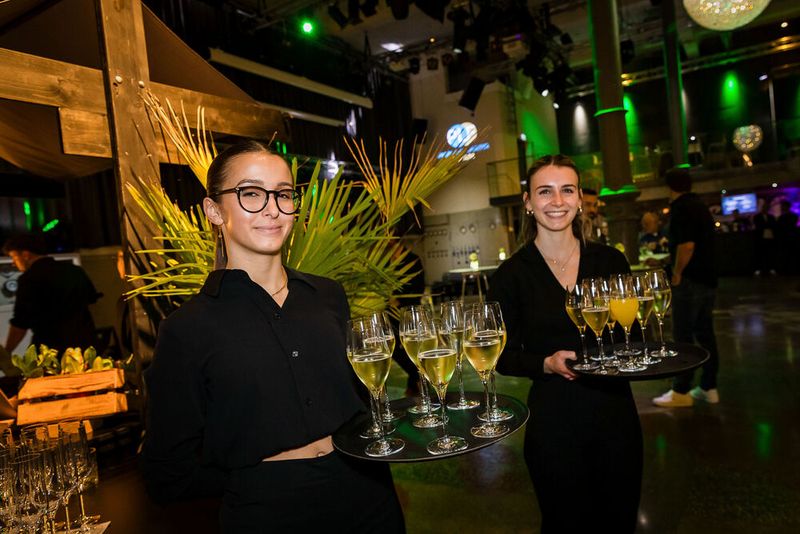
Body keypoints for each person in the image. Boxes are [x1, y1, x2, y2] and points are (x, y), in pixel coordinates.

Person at [141, 141, 405, 532]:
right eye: (251, 193)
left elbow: (362, 402)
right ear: (214, 210)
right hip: (268, 511)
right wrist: (251, 479)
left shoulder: (327, 296)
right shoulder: (187, 328)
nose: (272, 208)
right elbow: (166, 470)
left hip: (367, 493)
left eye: (282, 194)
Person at [488, 155, 642, 533]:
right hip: (554, 422)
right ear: (528, 202)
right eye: (545, 191)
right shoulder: (511, 275)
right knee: (564, 523)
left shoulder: (610, 261)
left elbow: (635, 335)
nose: (557, 201)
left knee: (619, 521)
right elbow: (501, 356)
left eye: (567, 190)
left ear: (579, 199)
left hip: (615, 415)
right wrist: (545, 363)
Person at [653, 168, 720, 407]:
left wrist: (677, 272)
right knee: (705, 334)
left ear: (669, 187)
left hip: (690, 281)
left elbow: (687, 245)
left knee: (682, 336)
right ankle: (709, 387)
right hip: (708, 279)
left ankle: (681, 392)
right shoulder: (700, 205)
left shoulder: (681, 207)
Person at [2, 234, 98, 355]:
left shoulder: (29, 279)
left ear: (26, 255)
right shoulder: (74, 270)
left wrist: (6, 351)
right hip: (85, 345)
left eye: (14, 257)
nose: (13, 263)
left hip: (52, 350)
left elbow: (21, 323)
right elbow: (92, 299)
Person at [751, 200, 776, 276]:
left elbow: (773, 226)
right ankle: (759, 269)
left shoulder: (771, 217)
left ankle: (771, 268)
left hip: (770, 237)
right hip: (760, 238)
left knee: (770, 253)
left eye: (766, 207)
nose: (765, 209)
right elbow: (759, 226)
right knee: (760, 254)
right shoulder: (757, 217)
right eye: (764, 207)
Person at [775, 200, 798, 275]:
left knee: (787, 255)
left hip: (787, 239)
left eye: (783, 206)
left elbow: (779, 228)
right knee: (790, 255)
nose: (782, 207)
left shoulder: (782, 218)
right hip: (790, 238)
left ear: (787, 207)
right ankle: (791, 270)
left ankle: (787, 270)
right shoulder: (793, 216)